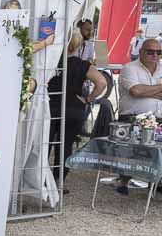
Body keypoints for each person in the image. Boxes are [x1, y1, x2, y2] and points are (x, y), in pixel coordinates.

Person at [48, 31, 107, 189]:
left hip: (50, 106)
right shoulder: (83, 65)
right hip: (73, 108)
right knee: (65, 146)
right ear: (80, 45)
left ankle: (39, 180)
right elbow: (101, 82)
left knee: (44, 145)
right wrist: (88, 99)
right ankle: (58, 183)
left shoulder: (50, 61)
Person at [115, 37, 162, 195]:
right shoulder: (129, 68)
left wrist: (147, 90)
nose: (155, 55)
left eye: (158, 52)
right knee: (130, 153)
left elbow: (142, 91)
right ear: (141, 52)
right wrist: (159, 88)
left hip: (158, 117)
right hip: (132, 117)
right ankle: (124, 181)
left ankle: (156, 182)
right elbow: (136, 91)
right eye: (150, 52)